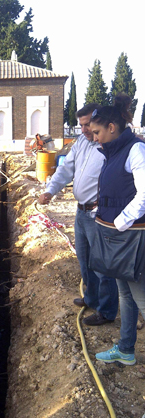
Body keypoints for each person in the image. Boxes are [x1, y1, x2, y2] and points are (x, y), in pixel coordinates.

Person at [38, 103, 118, 326]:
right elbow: (65, 169)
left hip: (98, 213)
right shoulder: (82, 142)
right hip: (81, 212)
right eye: (81, 125)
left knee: (102, 264)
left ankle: (107, 310)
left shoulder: (108, 146)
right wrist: (50, 190)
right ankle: (91, 298)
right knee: (84, 260)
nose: (84, 129)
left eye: (87, 125)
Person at [90, 93, 145, 365]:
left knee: (141, 298)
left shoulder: (135, 150)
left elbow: (144, 194)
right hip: (118, 237)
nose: (95, 137)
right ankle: (125, 349)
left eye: (97, 131)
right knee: (125, 294)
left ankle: (126, 348)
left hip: (132, 239)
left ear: (112, 127)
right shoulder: (112, 153)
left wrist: (122, 221)